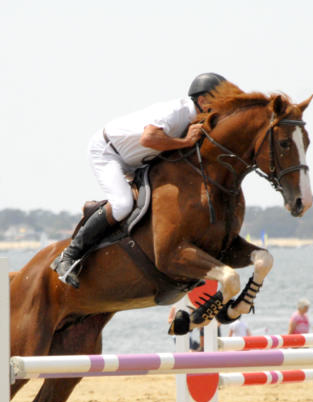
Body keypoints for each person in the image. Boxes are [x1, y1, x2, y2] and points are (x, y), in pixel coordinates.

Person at [53, 72, 227, 288]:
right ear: (202, 101)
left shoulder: (198, 118)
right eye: (221, 101)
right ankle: (68, 255)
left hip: (139, 159)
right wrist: (185, 141)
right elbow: (148, 138)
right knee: (123, 204)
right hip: (108, 152)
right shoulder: (177, 111)